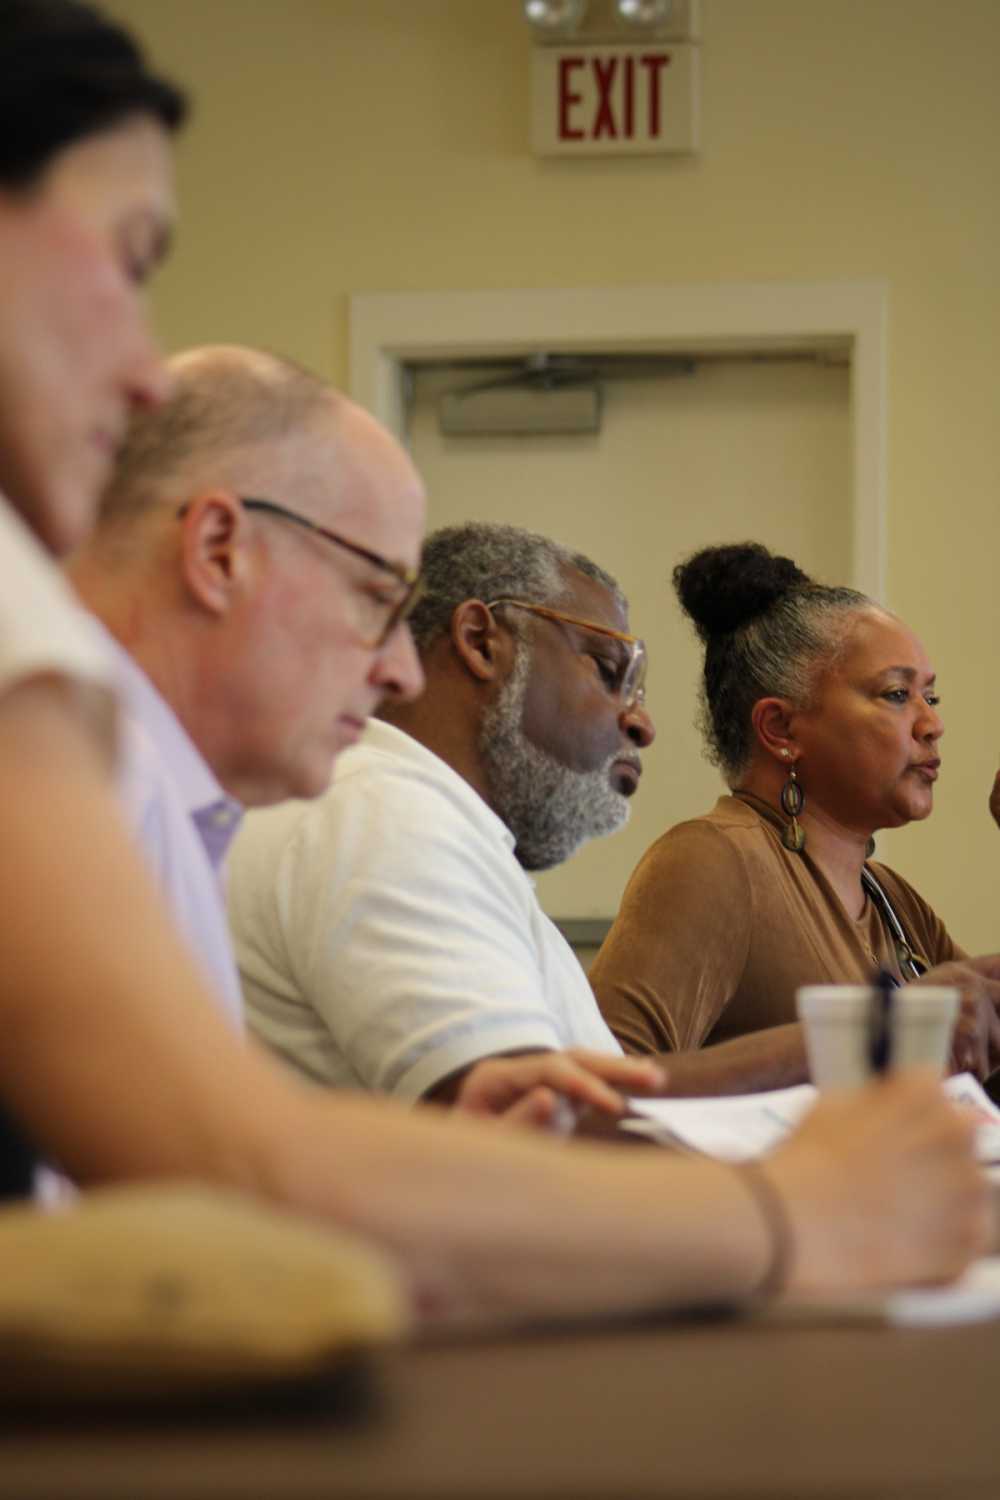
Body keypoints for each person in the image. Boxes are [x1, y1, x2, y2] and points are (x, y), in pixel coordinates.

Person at [0, 1, 987, 1323]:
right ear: (223, 550)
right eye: (128, 262)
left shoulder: (186, 793)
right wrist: (797, 1212)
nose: (137, 374)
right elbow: (239, 1162)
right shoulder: (126, 697)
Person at [69, 349, 658, 1117]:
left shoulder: (172, 807)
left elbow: (229, 1154)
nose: (400, 671)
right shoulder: (63, 780)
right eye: (375, 598)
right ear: (221, 551)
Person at [228, 521, 655, 1103]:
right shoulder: (387, 813)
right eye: (610, 671)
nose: (640, 723)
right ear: (481, 641)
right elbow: (528, 1122)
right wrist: (798, 1062)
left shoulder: (421, 815)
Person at [591, 542, 1000, 1093]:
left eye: (933, 696)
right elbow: (602, 1092)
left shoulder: (893, 901)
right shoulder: (714, 862)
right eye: (898, 694)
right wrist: (859, 1040)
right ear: (781, 730)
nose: (931, 724)